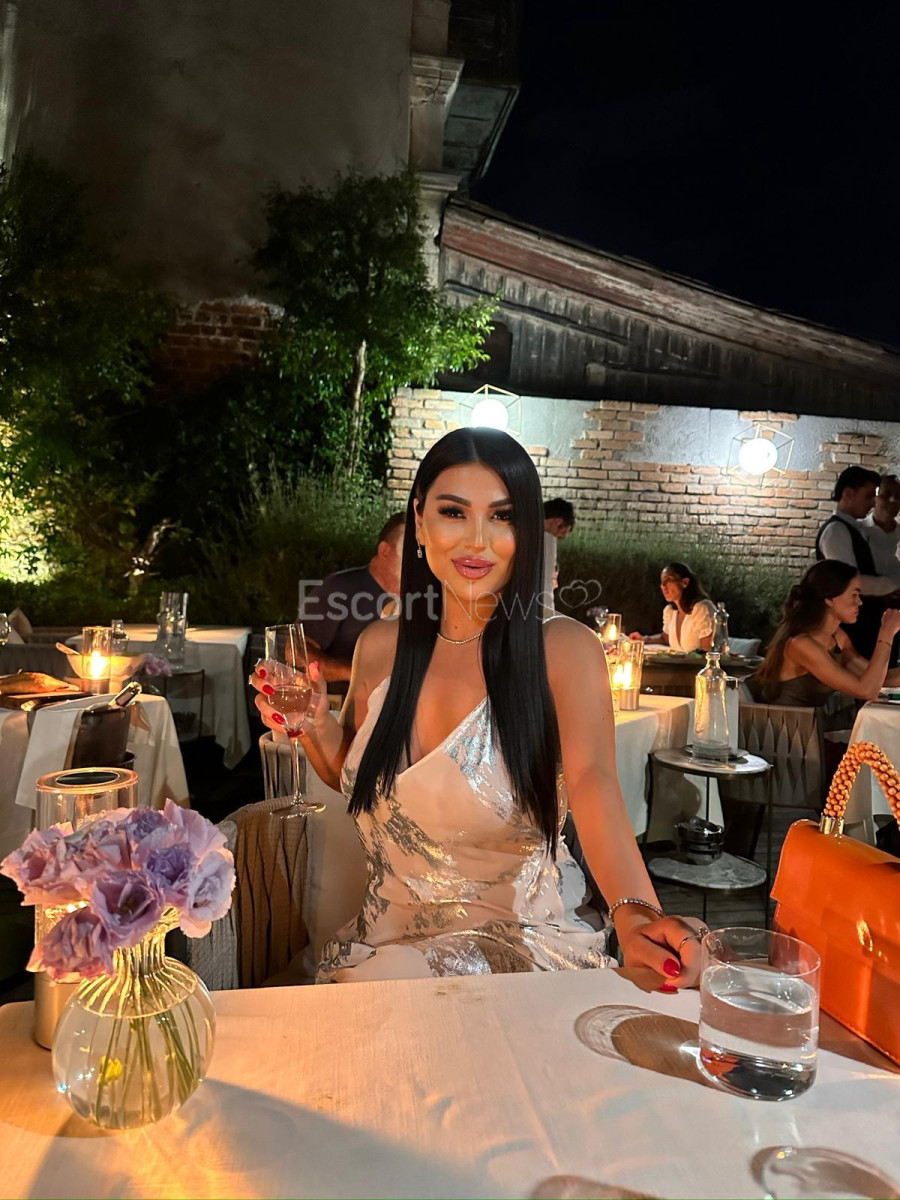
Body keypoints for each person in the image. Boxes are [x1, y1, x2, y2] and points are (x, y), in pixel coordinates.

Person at [253, 429, 705, 989]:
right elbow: (355, 778)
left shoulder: (562, 649)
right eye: (454, 512)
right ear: (420, 522)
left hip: (510, 948)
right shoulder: (380, 645)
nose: (477, 540)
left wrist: (635, 911)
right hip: (377, 944)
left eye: (502, 517)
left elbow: (594, 783)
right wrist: (314, 724)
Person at [748, 560, 900, 706]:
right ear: (829, 599)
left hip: (813, 721)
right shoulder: (801, 644)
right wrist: (886, 633)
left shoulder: (837, 637)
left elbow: (879, 678)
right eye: (854, 595)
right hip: (787, 722)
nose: (860, 602)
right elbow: (866, 690)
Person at [300, 512, 405, 684]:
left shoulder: (421, 598)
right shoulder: (337, 588)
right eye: (408, 549)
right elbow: (298, 653)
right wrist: (358, 673)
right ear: (384, 551)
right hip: (338, 699)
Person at [816, 465, 898, 659]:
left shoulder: (853, 529)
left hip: (866, 624)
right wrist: (894, 584)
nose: (873, 503)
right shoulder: (836, 531)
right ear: (848, 494)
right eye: (868, 496)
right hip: (853, 627)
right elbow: (848, 582)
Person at [630, 562, 716, 652]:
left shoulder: (702, 609)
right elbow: (665, 638)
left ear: (685, 582)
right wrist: (643, 639)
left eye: (668, 580)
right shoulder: (671, 612)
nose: (663, 586)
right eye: (662, 581)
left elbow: (708, 652)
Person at [541, 497, 575, 609]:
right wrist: (549, 614)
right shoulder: (547, 540)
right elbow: (545, 589)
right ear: (557, 522)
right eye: (560, 535)